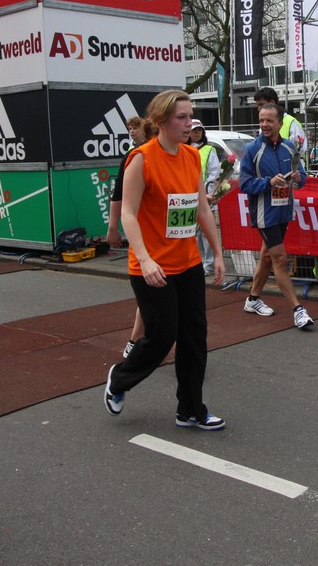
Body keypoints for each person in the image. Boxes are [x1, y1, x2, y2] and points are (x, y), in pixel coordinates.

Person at [103, 90, 227, 430]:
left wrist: (217, 253)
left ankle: (190, 409)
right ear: (161, 121)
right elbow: (128, 213)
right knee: (162, 336)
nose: (189, 124)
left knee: (194, 337)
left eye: (190, 116)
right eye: (181, 117)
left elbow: (201, 209)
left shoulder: (191, 156)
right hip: (152, 266)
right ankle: (119, 379)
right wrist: (144, 260)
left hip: (187, 262)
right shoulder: (141, 158)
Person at [239, 101, 315, 330]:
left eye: (269, 121)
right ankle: (298, 310)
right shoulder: (253, 149)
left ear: (280, 123)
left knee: (266, 257)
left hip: (284, 210)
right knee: (280, 259)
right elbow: (244, 184)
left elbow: (301, 177)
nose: (264, 124)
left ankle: (252, 299)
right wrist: (268, 182)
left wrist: (299, 178)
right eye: (261, 120)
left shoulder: (290, 147)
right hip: (265, 213)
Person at [107, 116, 155, 359]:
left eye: (134, 128)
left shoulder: (184, 155)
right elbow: (119, 197)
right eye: (130, 129)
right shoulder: (135, 157)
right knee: (150, 295)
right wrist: (112, 228)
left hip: (176, 243)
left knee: (164, 298)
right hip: (148, 238)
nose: (132, 132)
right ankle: (135, 342)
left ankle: (142, 341)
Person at [188, 119, 222, 275]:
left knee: (206, 233)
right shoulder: (182, 148)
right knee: (193, 234)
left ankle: (208, 265)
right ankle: (197, 263)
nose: (196, 133)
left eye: (199, 130)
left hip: (205, 198)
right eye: (194, 130)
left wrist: (208, 192)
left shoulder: (209, 149)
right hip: (188, 198)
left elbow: (214, 173)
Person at [253, 86, 307, 158]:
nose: (259, 109)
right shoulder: (262, 126)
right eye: (258, 105)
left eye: (261, 104)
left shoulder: (292, 123)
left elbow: (300, 149)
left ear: (272, 102)